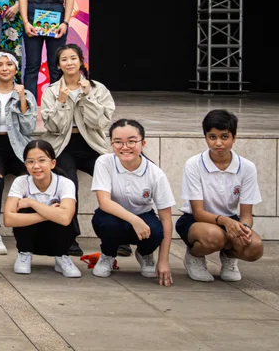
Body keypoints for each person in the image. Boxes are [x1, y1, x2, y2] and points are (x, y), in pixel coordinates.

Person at [41, 43, 116, 256]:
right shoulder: (51, 91)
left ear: (81, 61)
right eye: (64, 59)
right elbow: (53, 127)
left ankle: (118, 236)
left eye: (73, 58)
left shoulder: (98, 89)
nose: (69, 63)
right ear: (58, 65)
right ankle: (70, 237)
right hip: (63, 146)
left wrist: (88, 97)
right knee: (68, 183)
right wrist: (62, 102)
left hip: (91, 144)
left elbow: (99, 124)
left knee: (113, 179)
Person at [178, 109, 263, 282]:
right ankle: (194, 257)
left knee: (255, 247)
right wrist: (227, 222)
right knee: (214, 236)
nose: (218, 143)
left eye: (224, 137)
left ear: (234, 137)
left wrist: (244, 228)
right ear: (205, 137)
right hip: (196, 220)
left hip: (230, 220)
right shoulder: (194, 164)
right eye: (212, 137)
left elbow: (246, 214)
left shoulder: (247, 167)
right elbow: (198, 212)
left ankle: (229, 257)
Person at [91, 119, 175, 287]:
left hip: (143, 215)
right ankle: (108, 254)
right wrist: (134, 220)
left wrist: (163, 260)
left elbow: (166, 219)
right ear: (111, 143)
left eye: (131, 141)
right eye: (118, 142)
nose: (125, 147)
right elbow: (104, 203)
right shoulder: (104, 162)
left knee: (156, 231)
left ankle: (145, 254)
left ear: (143, 143)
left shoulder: (155, 173)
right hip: (113, 216)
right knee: (107, 224)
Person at [0, 52, 37, 256]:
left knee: (31, 178)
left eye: (9, 64)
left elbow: (28, 128)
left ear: (15, 69)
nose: (4, 68)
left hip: (18, 146)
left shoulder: (26, 95)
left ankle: (27, 231)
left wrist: (21, 99)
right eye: (0, 65)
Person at [3, 139, 82, 277]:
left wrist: (32, 203)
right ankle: (24, 254)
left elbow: (65, 218)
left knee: (61, 212)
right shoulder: (21, 182)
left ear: (52, 163)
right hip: (30, 237)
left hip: (56, 238)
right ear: (25, 165)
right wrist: (49, 212)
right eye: (30, 161)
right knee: (26, 210)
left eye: (42, 160)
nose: (36, 166)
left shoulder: (65, 183)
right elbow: (8, 219)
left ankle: (62, 256)